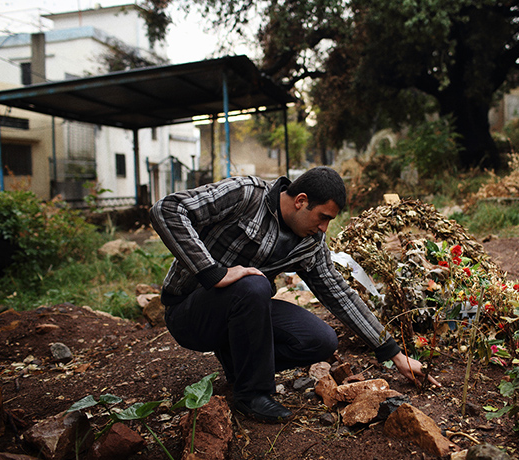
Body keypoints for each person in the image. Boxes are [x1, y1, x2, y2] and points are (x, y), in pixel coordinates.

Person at [149, 166, 439, 423]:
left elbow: (339, 292)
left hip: (242, 310)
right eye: (323, 217)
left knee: (321, 340)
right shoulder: (246, 194)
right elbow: (168, 210)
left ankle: (240, 364)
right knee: (255, 285)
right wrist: (214, 272)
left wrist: (394, 353)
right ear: (301, 201)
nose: (324, 228)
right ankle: (252, 396)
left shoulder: (310, 241)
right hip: (189, 313)